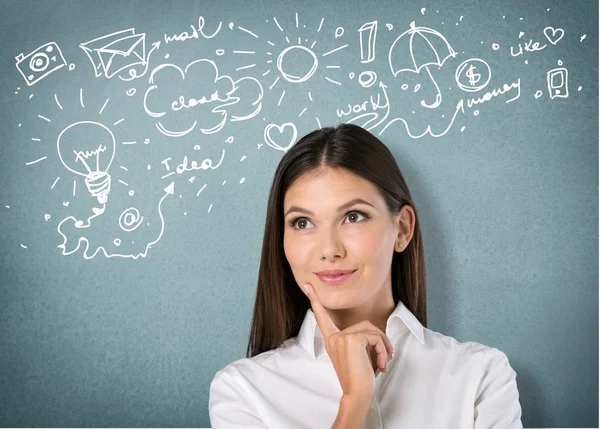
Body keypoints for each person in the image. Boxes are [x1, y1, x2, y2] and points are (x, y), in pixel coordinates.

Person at [208, 123, 523, 428]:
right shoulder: (243, 392)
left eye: (353, 216)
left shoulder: (480, 377)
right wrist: (355, 402)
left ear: (402, 229)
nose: (329, 249)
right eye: (303, 223)